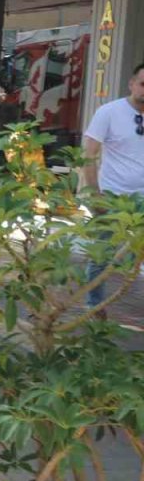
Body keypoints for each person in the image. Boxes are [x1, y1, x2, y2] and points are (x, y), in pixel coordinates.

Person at [83, 62, 144, 318]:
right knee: (101, 255)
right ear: (131, 84)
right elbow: (88, 154)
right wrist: (95, 195)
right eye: (143, 83)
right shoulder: (109, 112)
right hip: (113, 197)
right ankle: (94, 305)